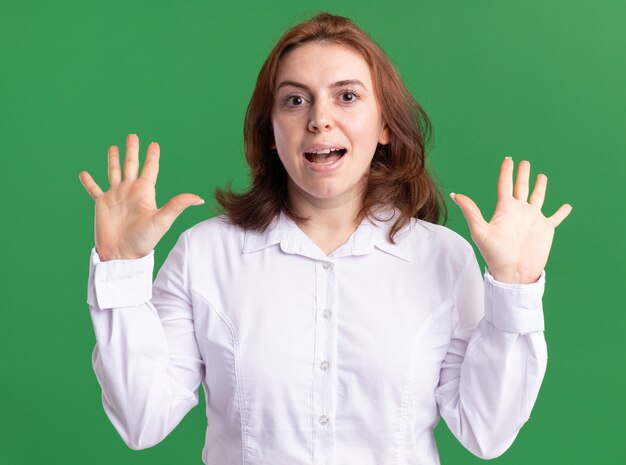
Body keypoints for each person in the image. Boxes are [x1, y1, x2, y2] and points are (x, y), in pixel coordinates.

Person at [79, 12, 572, 465]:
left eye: (347, 96)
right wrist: (120, 268)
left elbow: (487, 431)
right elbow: (142, 420)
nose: (319, 118)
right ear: (271, 131)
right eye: (295, 100)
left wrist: (514, 289)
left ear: (384, 124)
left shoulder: (445, 258)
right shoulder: (204, 255)